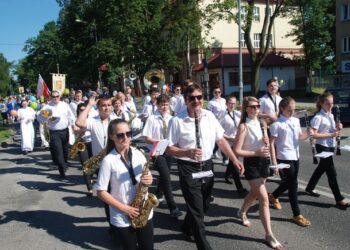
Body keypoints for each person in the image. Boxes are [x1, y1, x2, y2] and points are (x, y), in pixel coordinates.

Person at [167, 83, 244, 250]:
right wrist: (187, 153)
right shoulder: (177, 120)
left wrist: (234, 159)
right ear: (186, 100)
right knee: (196, 207)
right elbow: (169, 148)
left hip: (207, 165)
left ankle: (186, 227)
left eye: (199, 97)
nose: (196, 100)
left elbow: (221, 140)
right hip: (188, 167)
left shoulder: (210, 116)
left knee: (204, 204)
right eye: (192, 98)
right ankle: (203, 245)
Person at [95, 119, 154, 250]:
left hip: (143, 210)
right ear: (112, 136)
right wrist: (125, 209)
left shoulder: (139, 153)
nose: (126, 138)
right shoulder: (108, 160)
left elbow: (148, 175)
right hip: (122, 215)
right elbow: (101, 191)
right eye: (120, 135)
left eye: (128, 133)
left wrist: (150, 179)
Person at [233, 96, 283, 250]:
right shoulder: (243, 126)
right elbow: (237, 150)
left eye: (258, 106)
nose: (256, 109)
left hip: (263, 162)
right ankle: (269, 234)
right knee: (264, 199)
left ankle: (241, 212)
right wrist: (256, 151)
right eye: (252, 107)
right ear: (246, 109)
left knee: (254, 194)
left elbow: (268, 145)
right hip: (252, 163)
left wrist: (273, 162)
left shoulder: (262, 123)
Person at [268, 97, 312, 226]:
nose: (292, 112)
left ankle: (274, 196)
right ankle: (296, 214)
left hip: (295, 156)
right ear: (281, 109)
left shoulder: (296, 121)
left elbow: (299, 137)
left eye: (293, 110)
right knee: (293, 184)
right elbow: (271, 144)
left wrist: (308, 133)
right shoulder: (277, 124)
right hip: (283, 157)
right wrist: (274, 163)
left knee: (289, 182)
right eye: (289, 110)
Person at [305, 92, 350, 210]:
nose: (330, 106)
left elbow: (332, 130)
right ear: (321, 103)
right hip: (322, 146)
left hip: (330, 145)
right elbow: (314, 135)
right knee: (332, 172)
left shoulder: (330, 115)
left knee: (322, 168)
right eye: (328, 103)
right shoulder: (318, 117)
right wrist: (331, 134)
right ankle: (339, 198)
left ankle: (310, 187)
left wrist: (338, 127)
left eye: (332, 103)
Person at [142, 94, 182, 218]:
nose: (164, 107)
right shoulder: (152, 119)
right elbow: (146, 137)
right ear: (157, 105)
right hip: (157, 150)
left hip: (169, 149)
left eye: (166, 104)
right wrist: (158, 142)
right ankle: (172, 207)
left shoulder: (172, 118)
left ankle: (159, 194)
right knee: (166, 176)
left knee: (165, 175)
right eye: (162, 104)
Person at [39, 91, 75, 177]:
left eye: (57, 96)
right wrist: (48, 120)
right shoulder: (46, 107)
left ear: (60, 96)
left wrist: (73, 126)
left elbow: (71, 116)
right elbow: (40, 118)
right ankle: (62, 169)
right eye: (53, 96)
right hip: (54, 132)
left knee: (65, 151)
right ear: (51, 97)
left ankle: (64, 163)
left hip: (65, 131)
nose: (55, 98)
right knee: (58, 151)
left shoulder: (64, 105)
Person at [220, 94, 247, 195]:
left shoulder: (237, 113)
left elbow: (244, 120)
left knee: (232, 162)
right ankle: (239, 188)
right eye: (230, 103)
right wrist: (231, 138)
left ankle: (227, 175)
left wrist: (243, 110)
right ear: (226, 104)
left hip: (237, 142)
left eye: (234, 103)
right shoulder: (222, 116)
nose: (232, 105)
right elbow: (220, 133)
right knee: (235, 165)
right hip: (228, 143)